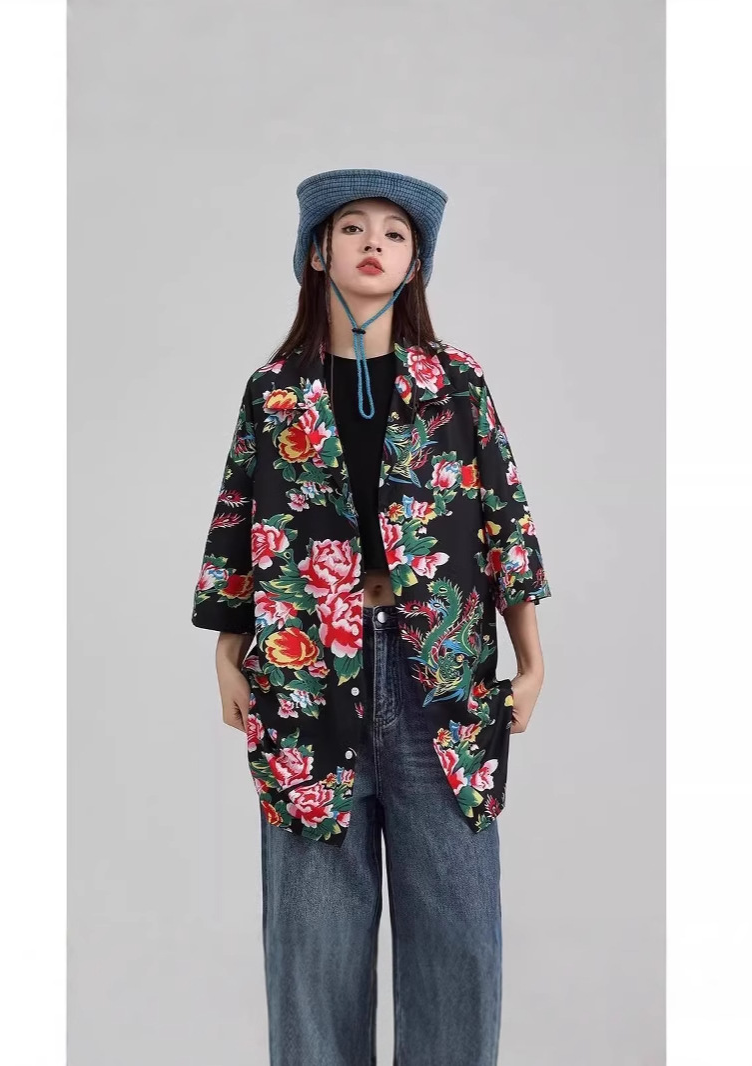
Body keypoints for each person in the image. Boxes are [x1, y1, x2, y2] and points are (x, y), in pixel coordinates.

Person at [190, 167, 552, 1066]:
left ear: (415, 264)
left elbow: (503, 520)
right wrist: (229, 653)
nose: (372, 244)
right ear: (318, 253)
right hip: (305, 680)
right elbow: (239, 522)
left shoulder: (456, 383)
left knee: (458, 944)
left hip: (443, 683)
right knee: (312, 949)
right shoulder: (275, 391)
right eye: (352, 227)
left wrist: (531, 659)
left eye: (394, 233)